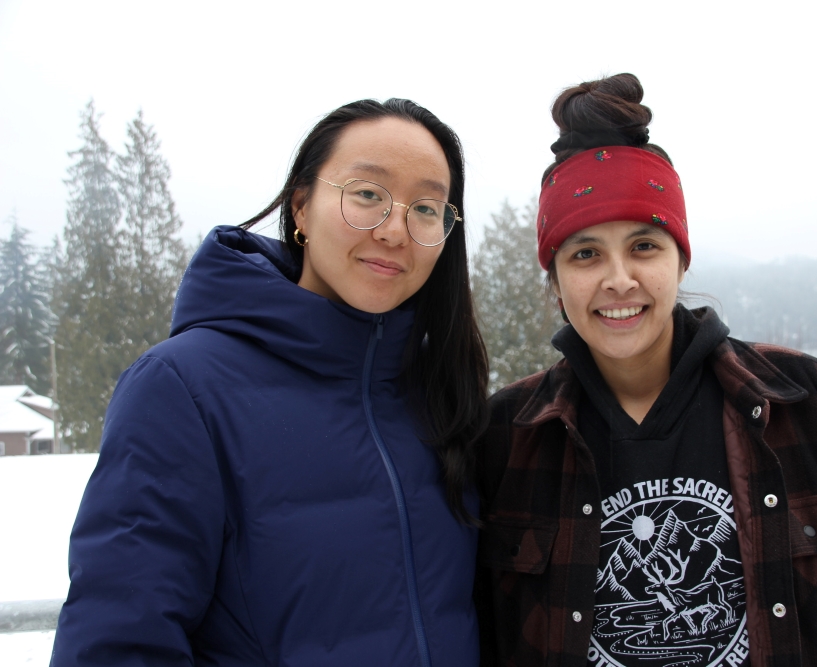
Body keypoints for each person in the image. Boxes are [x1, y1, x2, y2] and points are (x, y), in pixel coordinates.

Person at [474, 74, 817, 667]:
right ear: (556, 281)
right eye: (586, 253)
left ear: (680, 258)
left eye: (644, 246)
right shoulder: (506, 437)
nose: (619, 279)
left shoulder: (811, 403)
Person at [51, 98, 489, 666]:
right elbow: (118, 642)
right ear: (301, 206)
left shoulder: (439, 392)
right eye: (367, 195)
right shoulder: (182, 387)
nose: (394, 230)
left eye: (427, 208)